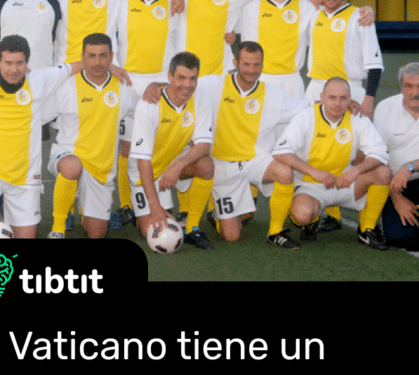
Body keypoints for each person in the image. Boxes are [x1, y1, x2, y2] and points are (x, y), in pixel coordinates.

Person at [0, 34, 89, 239]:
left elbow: (73, 67)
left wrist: (110, 68)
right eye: (8, 63)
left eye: (20, 63)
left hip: (25, 178)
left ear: (27, 63)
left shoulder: (39, 80)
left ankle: (2, 212)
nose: (14, 69)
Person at [198, 41, 309, 249]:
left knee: (284, 172)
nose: (252, 70)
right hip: (222, 167)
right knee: (231, 236)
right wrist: (155, 87)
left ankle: (275, 232)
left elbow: (307, 108)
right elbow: (183, 87)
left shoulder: (273, 94)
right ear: (235, 63)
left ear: (262, 64)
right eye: (246, 64)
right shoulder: (213, 85)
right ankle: (217, 213)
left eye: (257, 64)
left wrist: (339, 104)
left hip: (255, 161)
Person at [273, 77, 390, 250]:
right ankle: (312, 220)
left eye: (343, 98)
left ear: (350, 99)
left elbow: (380, 152)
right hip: (311, 185)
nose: (337, 103)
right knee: (301, 216)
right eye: (332, 97)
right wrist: (314, 172)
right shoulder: (306, 116)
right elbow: (280, 151)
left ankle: (367, 229)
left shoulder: (357, 117)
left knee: (383, 172)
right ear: (322, 97)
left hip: (346, 182)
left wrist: (355, 171)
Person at [46, 33, 138, 239]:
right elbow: (39, 113)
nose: (97, 62)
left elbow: (142, 112)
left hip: (101, 171)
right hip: (68, 157)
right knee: (72, 166)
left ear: (111, 57)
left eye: (103, 56)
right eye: (92, 56)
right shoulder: (66, 85)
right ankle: (58, 228)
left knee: (97, 234)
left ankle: (82, 205)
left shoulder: (124, 87)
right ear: (83, 58)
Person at [114, 0, 180, 224]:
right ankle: (126, 205)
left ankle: (172, 205)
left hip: (161, 83)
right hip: (129, 82)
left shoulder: (173, 3)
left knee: (161, 144)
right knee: (127, 146)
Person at [128, 51, 215, 250]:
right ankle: (147, 207)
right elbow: (142, 162)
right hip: (145, 172)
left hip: (173, 162)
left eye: (193, 78)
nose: (187, 85)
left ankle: (192, 227)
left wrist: (178, 166)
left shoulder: (201, 97)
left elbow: (204, 145)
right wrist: (155, 206)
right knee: (149, 231)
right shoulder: (148, 106)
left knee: (206, 165)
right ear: (169, 76)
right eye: (181, 77)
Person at [305, 0, 383, 117]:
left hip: (350, 91)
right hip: (315, 90)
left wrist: (368, 100)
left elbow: (375, 65)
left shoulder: (361, 17)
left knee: (348, 132)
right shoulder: (313, 14)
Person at [372, 61, 419, 251]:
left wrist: (410, 166)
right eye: (409, 86)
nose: (415, 92)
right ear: (401, 87)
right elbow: (377, 158)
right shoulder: (385, 108)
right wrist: (396, 197)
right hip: (395, 185)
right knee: (398, 238)